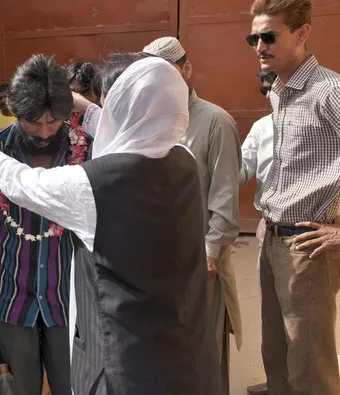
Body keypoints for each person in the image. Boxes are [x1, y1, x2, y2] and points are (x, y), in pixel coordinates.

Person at [0, 55, 221, 394]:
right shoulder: (184, 159)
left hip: (127, 357)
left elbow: (20, 184)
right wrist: (74, 102)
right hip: (186, 346)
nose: (45, 131)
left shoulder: (94, 186)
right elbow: (126, 125)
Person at [0, 54, 89, 395]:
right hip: (10, 292)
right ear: (15, 112)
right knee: (20, 387)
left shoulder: (83, 148)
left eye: (54, 122)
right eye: (34, 122)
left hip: (68, 296)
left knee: (72, 385)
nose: (45, 131)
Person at [248, 0, 340, 394]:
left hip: (307, 246)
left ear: (302, 33)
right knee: (277, 353)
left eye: (269, 36)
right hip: (272, 239)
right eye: (253, 37)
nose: (259, 45)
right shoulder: (280, 91)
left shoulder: (328, 91)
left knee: (309, 365)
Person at [142, 37, 242, 394]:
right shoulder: (148, 122)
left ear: (186, 69)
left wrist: (211, 255)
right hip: (157, 269)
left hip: (202, 267)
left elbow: (226, 203)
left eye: (168, 72)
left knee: (204, 359)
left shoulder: (216, 122)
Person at [240, 70, 276, 395]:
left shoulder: (322, 121)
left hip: (308, 230)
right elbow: (240, 169)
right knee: (272, 309)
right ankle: (277, 380)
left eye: (274, 86)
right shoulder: (261, 128)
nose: (269, 93)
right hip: (268, 228)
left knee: (306, 315)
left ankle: (308, 384)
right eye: (265, 88)